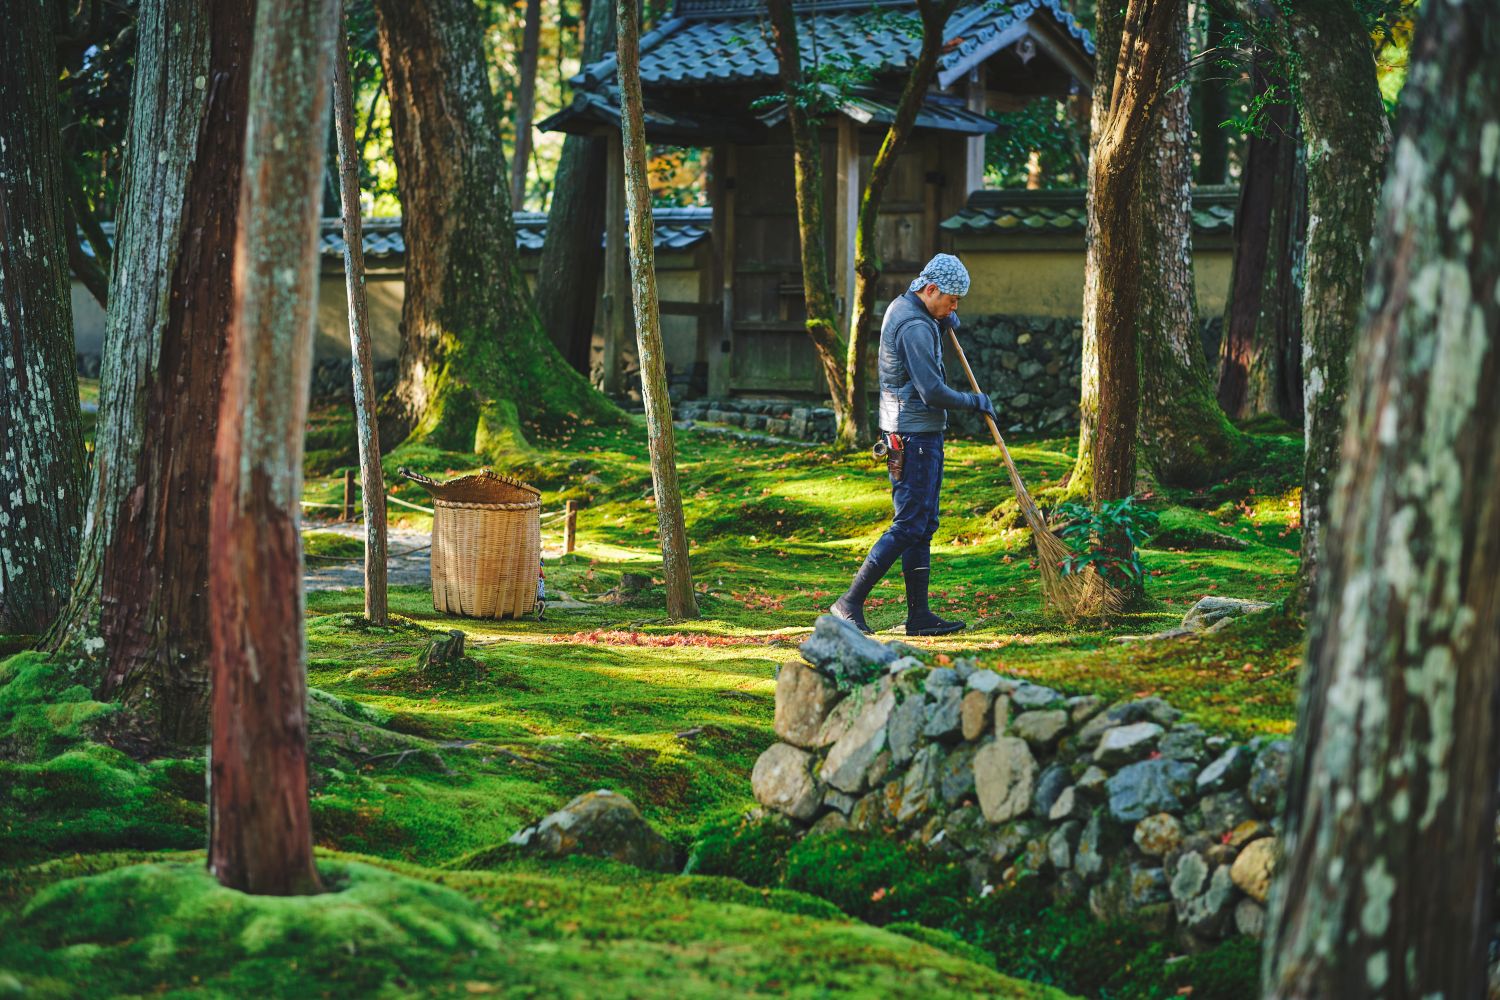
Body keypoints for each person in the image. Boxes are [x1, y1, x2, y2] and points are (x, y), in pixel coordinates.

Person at [830, 253, 995, 636]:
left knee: (922, 525)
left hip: (919, 434)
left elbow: (935, 325)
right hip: (912, 436)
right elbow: (931, 391)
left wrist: (943, 319)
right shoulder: (914, 326)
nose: (955, 308)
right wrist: (975, 401)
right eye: (952, 300)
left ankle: (919, 616)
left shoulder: (915, 312)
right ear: (931, 289)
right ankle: (849, 602)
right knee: (908, 525)